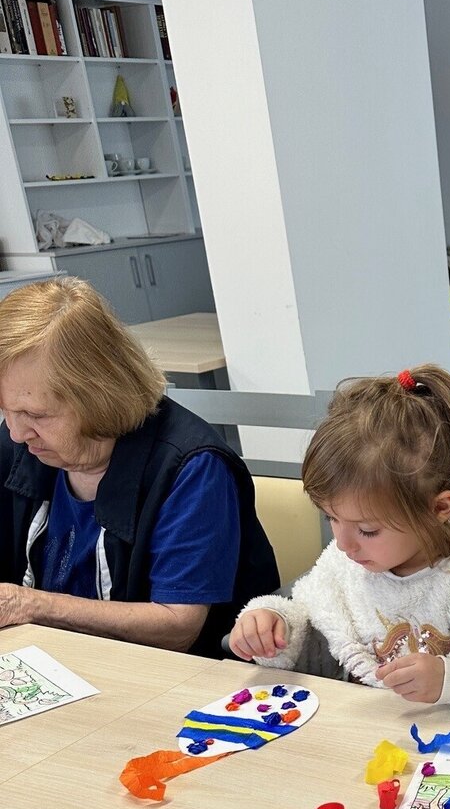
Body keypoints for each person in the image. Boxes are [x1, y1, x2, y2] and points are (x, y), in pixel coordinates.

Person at [229, 366, 450, 720]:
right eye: (331, 518)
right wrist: (277, 628)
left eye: (367, 530)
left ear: (439, 509)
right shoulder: (344, 566)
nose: (343, 544)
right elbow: (320, 640)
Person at [0, 276, 278, 657]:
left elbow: (178, 626)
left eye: (36, 415)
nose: (17, 433)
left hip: (174, 673)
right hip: (54, 661)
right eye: (6, 410)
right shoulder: (19, 443)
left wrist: (32, 606)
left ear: (98, 395)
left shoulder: (191, 469)